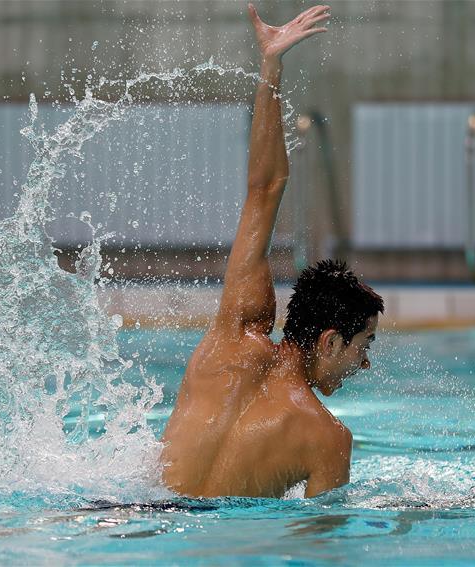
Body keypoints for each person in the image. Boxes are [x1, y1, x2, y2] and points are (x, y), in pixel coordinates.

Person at [160, 4, 383, 499]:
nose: (364, 366)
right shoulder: (327, 439)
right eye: (363, 347)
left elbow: (263, 188)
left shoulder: (234, 335)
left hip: (127, 515)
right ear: (328, 341)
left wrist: (271, 67)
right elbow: (314, 543)